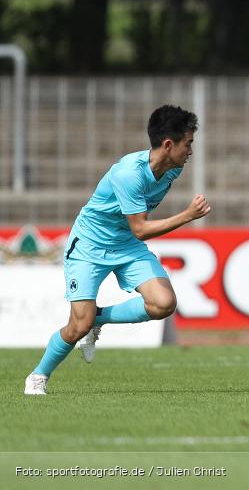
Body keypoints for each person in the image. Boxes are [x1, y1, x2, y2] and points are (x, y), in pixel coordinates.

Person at [24, 105, 211, 395]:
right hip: (90, 245)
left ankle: (97, 318)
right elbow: (141, 228)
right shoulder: (128, 174)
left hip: (125, 244)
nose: (190, 151)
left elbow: (135, 229)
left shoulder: (172, 169)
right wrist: (187, 216)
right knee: (77, 326)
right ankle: (38, 376)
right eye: (187, 144)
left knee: (163, 303)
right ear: (168, 145)